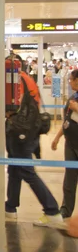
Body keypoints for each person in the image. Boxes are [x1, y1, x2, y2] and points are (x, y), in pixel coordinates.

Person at [5, 55, 64, 228]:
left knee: (26, 171)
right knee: (15, 169)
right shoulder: (26, 79)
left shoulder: (15, 79)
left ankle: (52, 210)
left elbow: (11, 107)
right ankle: (10, 206)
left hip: (20, 131)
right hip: (29, 130)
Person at [51, 69, 78, 219]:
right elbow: (67, 120)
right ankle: (65, 211)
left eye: (71, 79)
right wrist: (57, 137)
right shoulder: (73, 98)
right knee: (69, 180)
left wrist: (77, 108)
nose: (69, 82)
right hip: (71, 144)